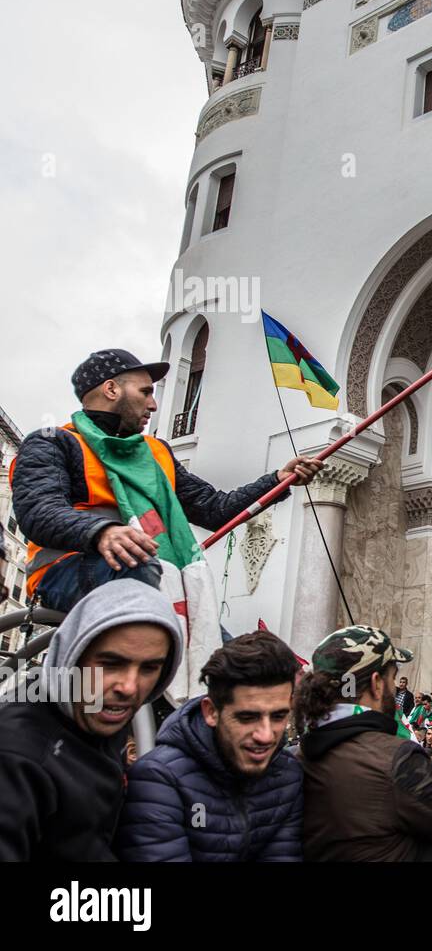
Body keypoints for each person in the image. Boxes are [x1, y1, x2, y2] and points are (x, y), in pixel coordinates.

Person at [11, 349, 321, 613]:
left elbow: (213, 509)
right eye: (145, 392)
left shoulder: (157, 453)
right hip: (67, 572)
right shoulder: (52, 442)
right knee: (145, 572)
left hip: (152, 574)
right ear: (111, 390)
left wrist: (278, 480)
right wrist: (102, 532)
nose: (154, 405)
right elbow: (39, 511)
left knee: (233, 660)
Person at [0, 580, 183, 861]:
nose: (130, 686)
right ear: (72, 657)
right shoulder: (17, 756)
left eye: (149, 667)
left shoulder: (95, 713)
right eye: (111, 663)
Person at [294, 625, 432, 860]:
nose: (395, 686)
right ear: (376, 684)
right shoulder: (397, 760)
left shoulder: (297, 755)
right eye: (392, 677)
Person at [114, 630, 302, 861]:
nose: (265, 735)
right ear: (211, 712)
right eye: (247, 717)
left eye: (278, 717)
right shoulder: (159, 778)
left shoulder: (287, 774)